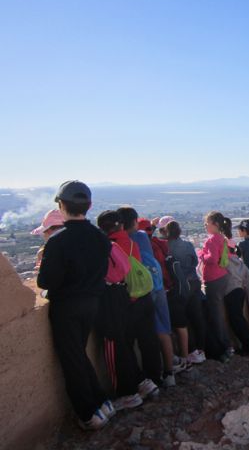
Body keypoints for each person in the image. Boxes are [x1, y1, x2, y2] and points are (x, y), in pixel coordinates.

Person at [37, 181, 113, 430]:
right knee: (79, 354)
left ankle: (88, 414)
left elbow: (45, 280)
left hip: (67, 307)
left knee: (72, 360)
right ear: (89, 206)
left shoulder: (58, 241)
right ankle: (102, 402)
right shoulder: (100, 237)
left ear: (61, 205)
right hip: (93, 303)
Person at [96, 211, 159, 411]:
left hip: (123, 300)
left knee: (122, 346)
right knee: (148, 339)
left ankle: (129, 391)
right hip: (143, 295)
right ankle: (150, 380)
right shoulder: (132, 242)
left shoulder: (106, 247)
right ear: (122, 226)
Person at [118, 207, 179, 387]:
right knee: (163, 330)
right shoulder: (143, 237)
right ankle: (169, 373)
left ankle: (148, 378)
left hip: (140, 290)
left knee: (143, 335)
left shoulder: (123, 241)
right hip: (157, 283)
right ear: (135, 222)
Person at [139, 217, 191, 372]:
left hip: (156, 290)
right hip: (171, 287)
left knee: (159, 330)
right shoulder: (165, 246)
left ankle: (169, 367)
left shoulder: (148, 247)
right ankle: (178, 360)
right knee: (169, 327)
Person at [158, 216, 207, 364]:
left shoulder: (166, 247)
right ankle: (201, 350)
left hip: (179, 286)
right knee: (197, 317)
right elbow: (194, 261)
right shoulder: (187, 244)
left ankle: (190, 352)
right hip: (194, 282)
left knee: (183, 321)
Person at [200, 211, 233, 361]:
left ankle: (224, 347)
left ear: (216, 225)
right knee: (218, 313)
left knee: (216, 316)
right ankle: (226, 345)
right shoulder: (222, 238)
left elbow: (212, 259)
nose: (205, 226)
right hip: (222, 276)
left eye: (207, 224)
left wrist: (201, 254)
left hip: (212, 279)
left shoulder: (212, 240)